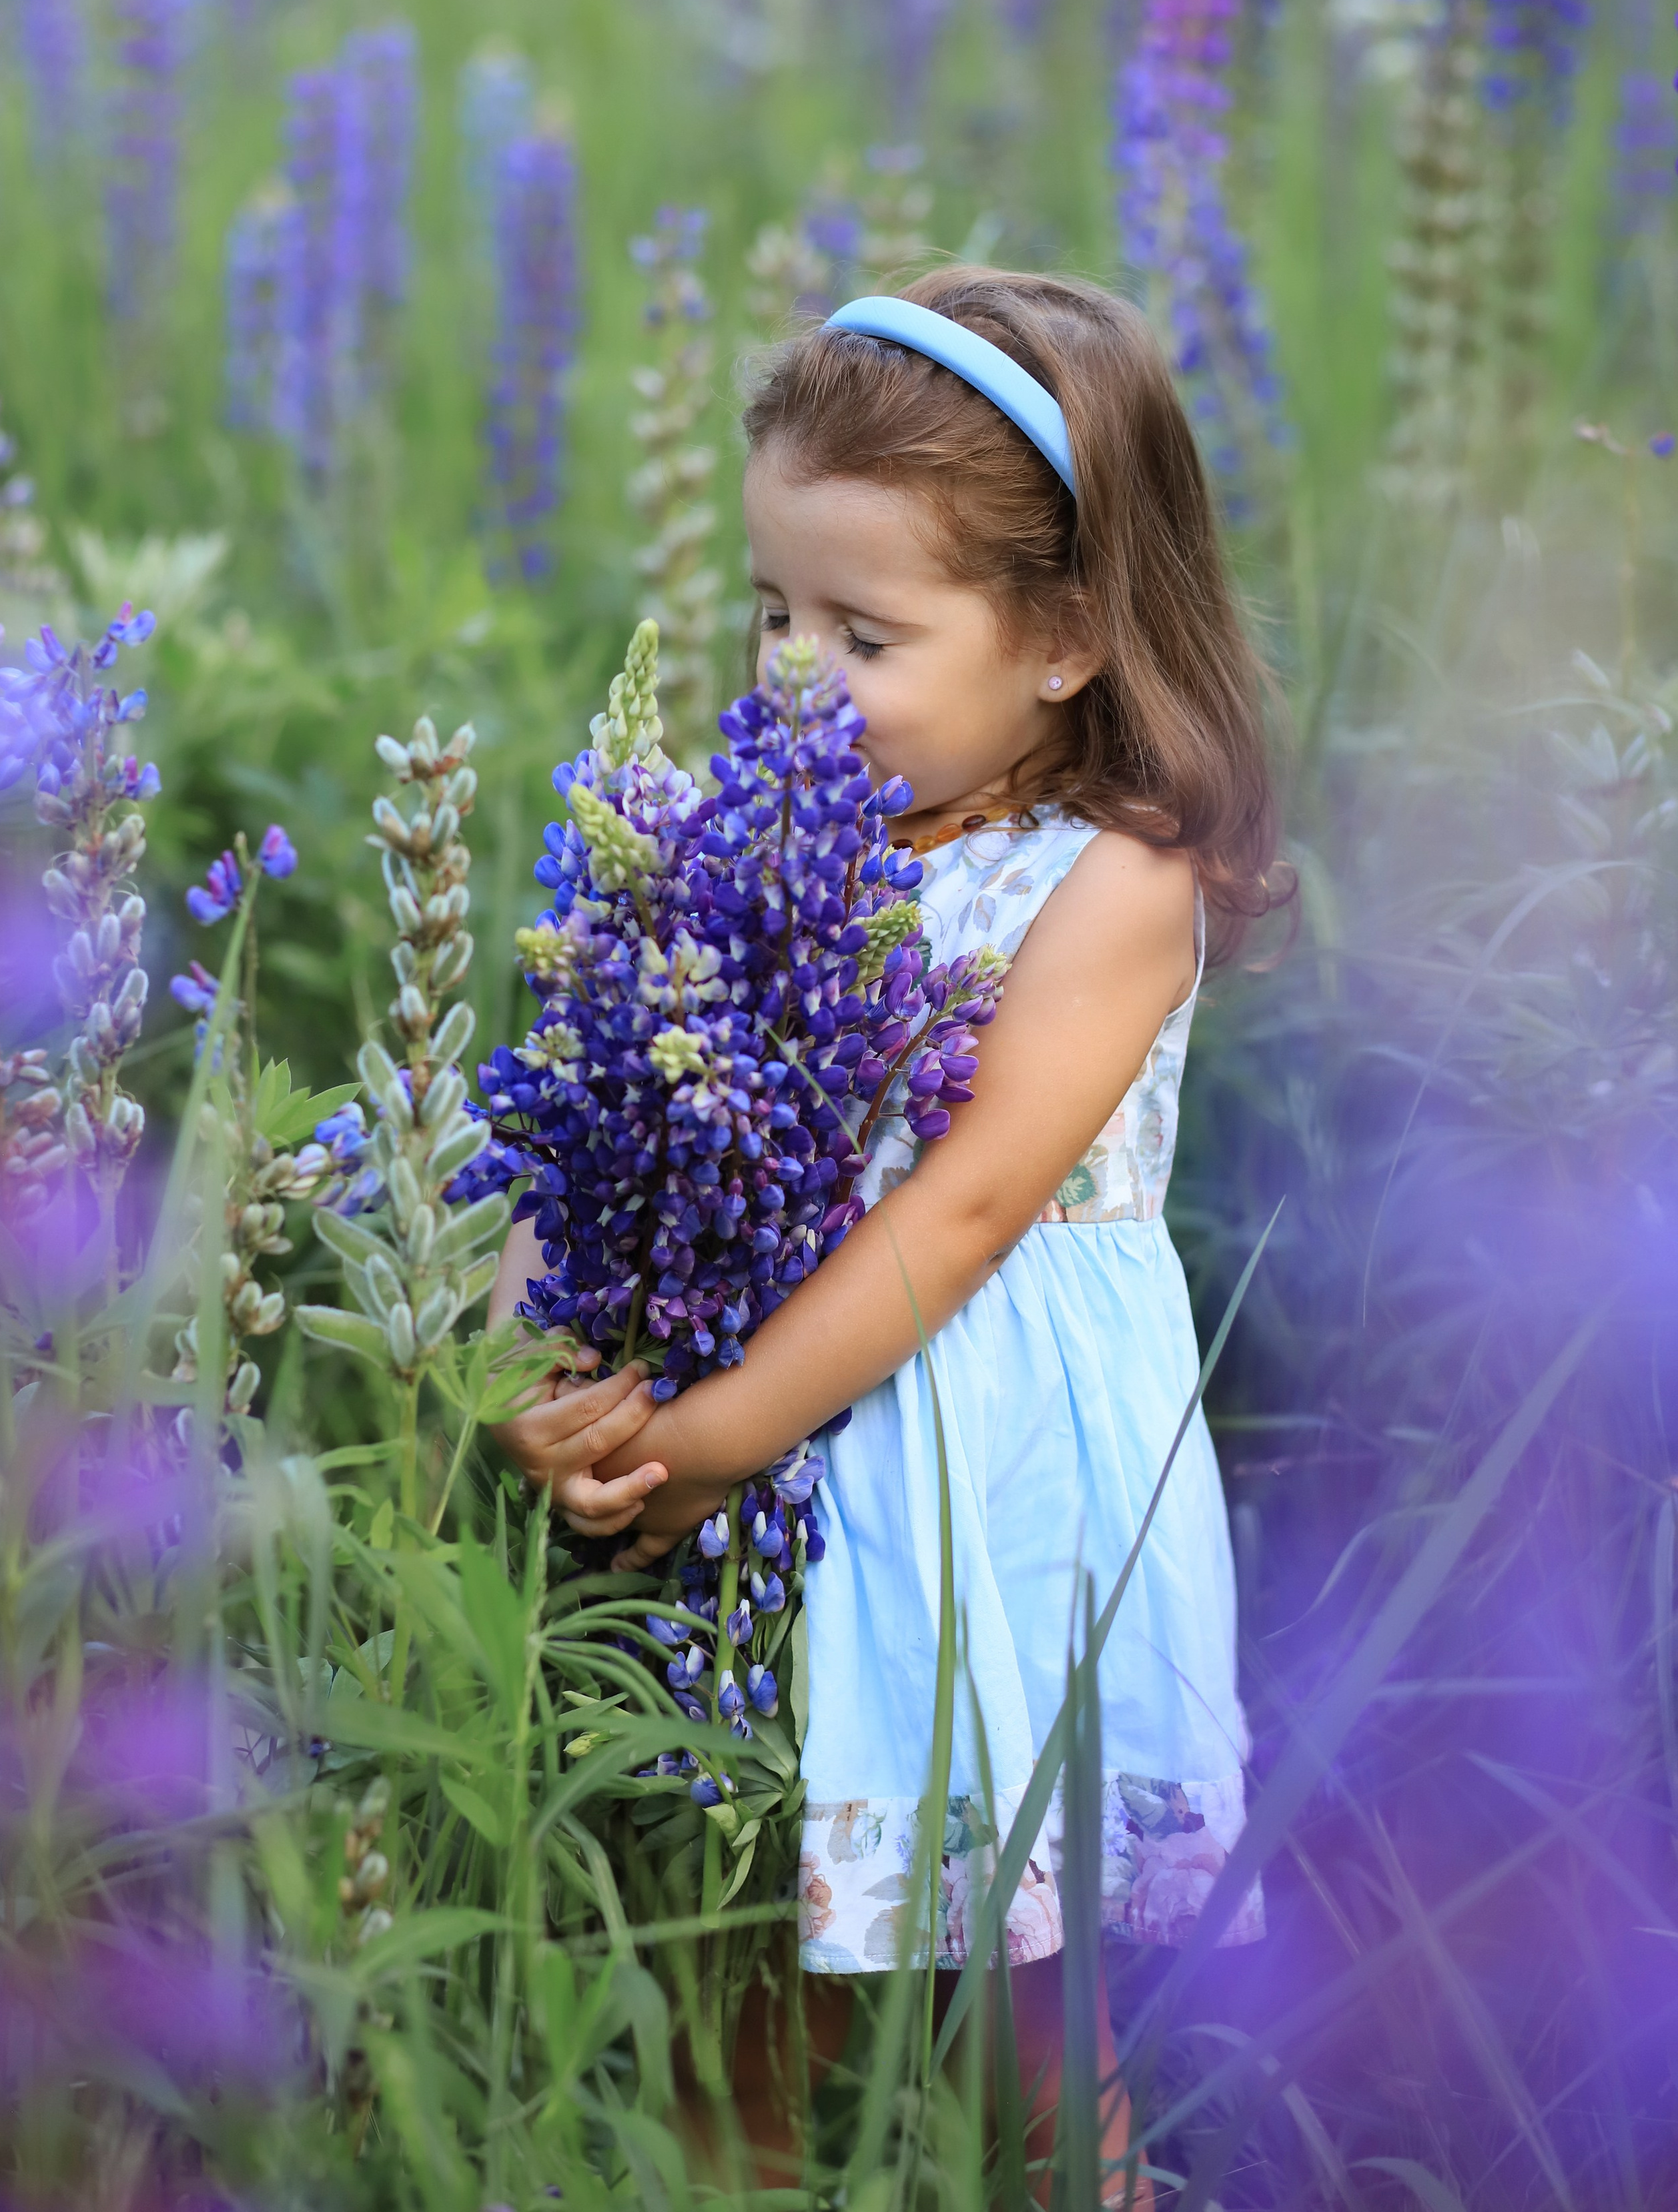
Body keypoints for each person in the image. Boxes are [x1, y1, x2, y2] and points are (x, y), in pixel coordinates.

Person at [488, 265, 1284, 2205]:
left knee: (1030, 2002)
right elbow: (604, 1120)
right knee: (750, 1954)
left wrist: (724, 1434)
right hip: (773, 1479)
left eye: (863, 632)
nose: (790, 675)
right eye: (774, 613)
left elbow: (976, 1200)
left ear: (1071, 638)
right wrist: (547, 1378)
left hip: (991, 1482)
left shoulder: (1114, 880)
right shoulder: (755, 827)